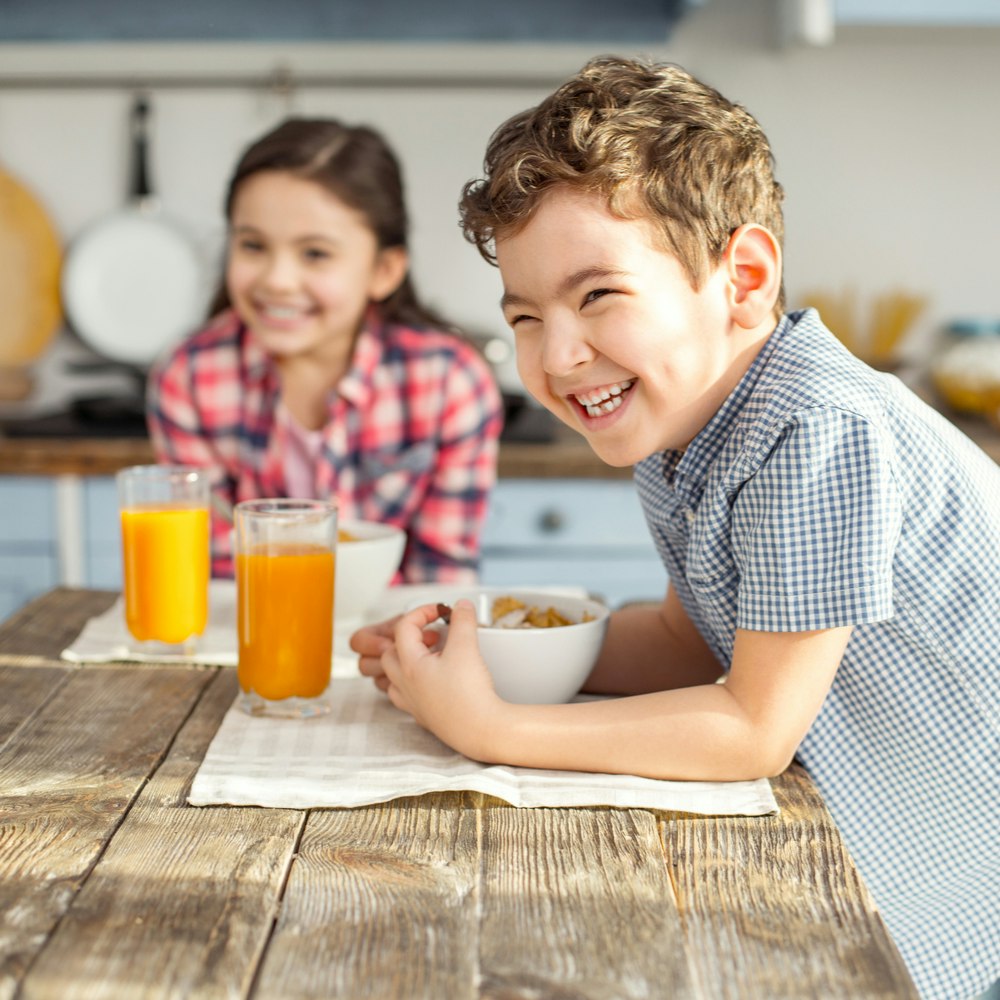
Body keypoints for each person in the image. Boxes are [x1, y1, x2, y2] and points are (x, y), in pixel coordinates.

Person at [352, 57, 1000, 999]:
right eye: (525, 316)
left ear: (741, 277)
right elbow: (688, 643)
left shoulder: (817, 427)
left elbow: (750, 729)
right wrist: (479, 649)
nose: (558, 354)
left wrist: (491, 725)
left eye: (598, 296)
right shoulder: (681, 425)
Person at [147, 118, 503, 581]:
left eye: (315, 253)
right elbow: (214, 571)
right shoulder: (189, 377)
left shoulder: (451, 383)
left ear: (385, 270)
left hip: (391, 641)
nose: (276, 279)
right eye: (253, 245)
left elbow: (441, 575)